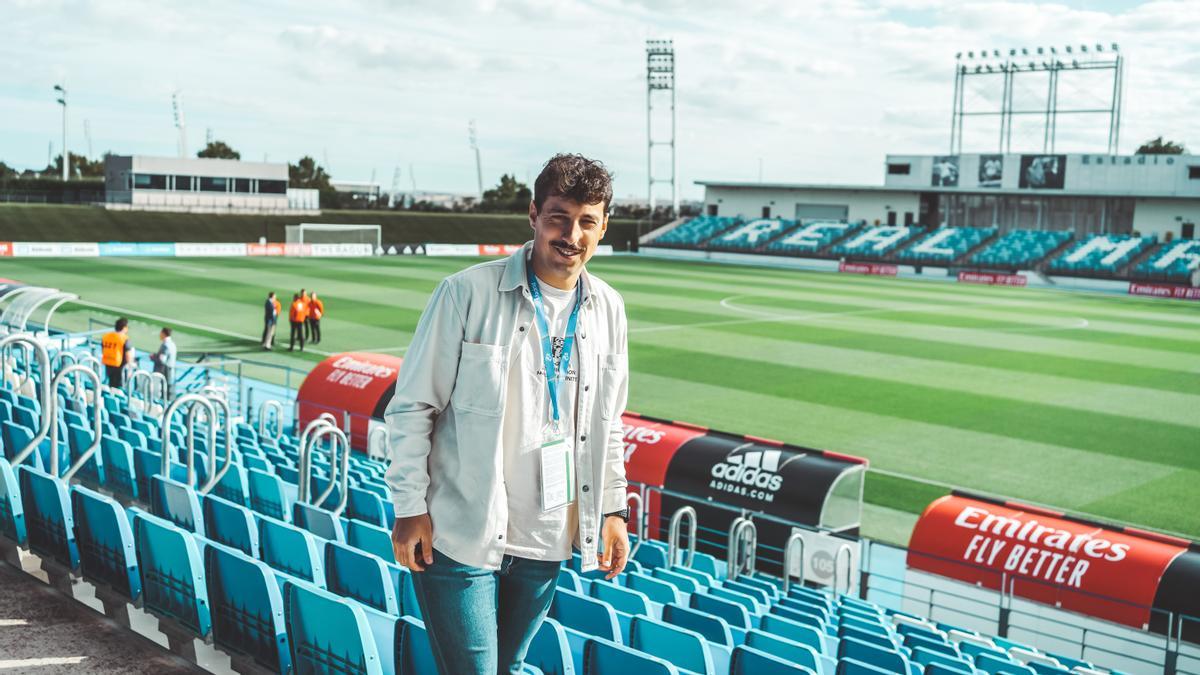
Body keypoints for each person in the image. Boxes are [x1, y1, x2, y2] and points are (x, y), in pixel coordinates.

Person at [385, 154, 631, 675]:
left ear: (604, 225)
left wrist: (613, 509)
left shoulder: (610, 309)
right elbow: (410, 407)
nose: (572, 234)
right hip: (461, 532)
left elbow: (609, 424)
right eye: (559, 217)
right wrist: (409, 506)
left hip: (547, 538)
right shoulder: (466, 293)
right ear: (533, 215)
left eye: (588, 221)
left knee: (508, 667)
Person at [100, 317, 134, 388]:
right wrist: (130, 366)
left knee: (110, 383)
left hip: (108, 363)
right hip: (119, 365)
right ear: (124, 328)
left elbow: (103, 348)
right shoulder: (124, 338)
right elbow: (128, 354)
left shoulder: (106, 336)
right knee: (119, 386)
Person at [149, 327, 177, 399]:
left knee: (165, 390)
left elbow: (162, 360)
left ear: (163, 334)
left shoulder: (165, 345)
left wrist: (153, 357)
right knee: (168, 390)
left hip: (165, 371)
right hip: (171, 370)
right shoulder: (172, 344)